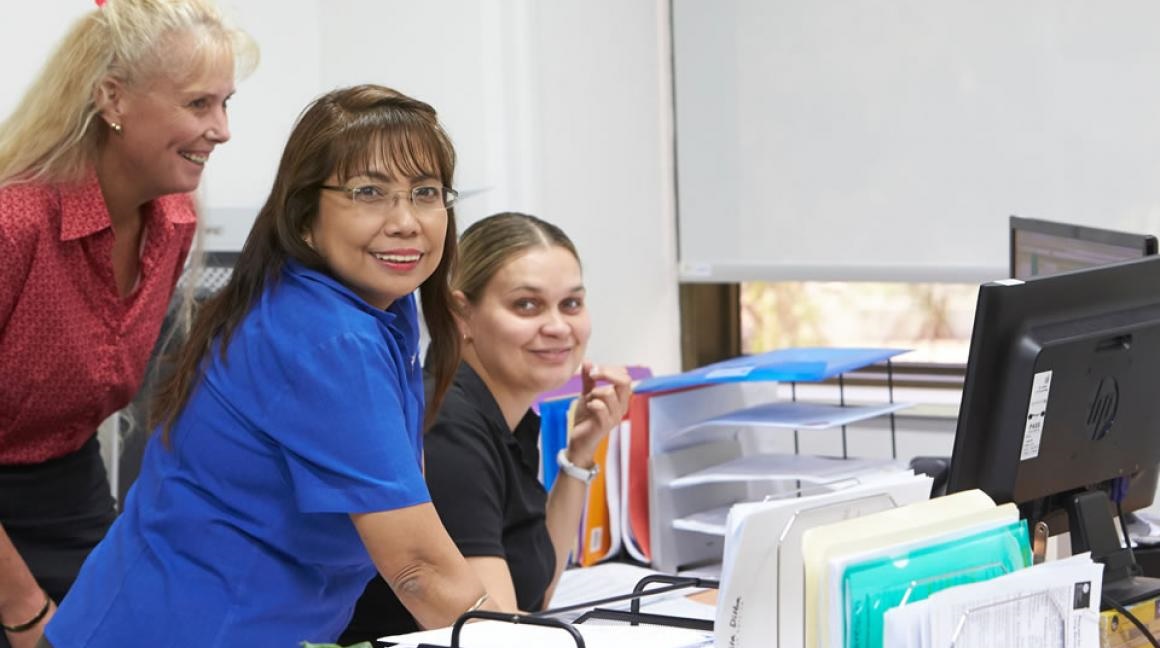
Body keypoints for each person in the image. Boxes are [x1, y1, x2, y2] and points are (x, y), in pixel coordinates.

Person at [43, 84, 495, 647]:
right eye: (369, 192)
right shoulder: (328, 336)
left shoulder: (376, 307)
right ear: (305, 218)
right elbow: (419, 570)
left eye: (425, 192)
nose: (406, 221)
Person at [0, 2, 254, 646]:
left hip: (67, 489)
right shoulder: (15, 225)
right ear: (112, 98)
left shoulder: (174, 221)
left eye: (226, 103)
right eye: (199, 104)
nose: (221, 130)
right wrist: (24, 611)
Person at [341, 212, 633, 641]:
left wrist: (579, 457)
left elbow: (536, 594)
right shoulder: (448, 425)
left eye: (571, 303)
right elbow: (496, 635)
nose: (557, 327)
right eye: (526, 305)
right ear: (461, 315)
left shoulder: (500, 418)